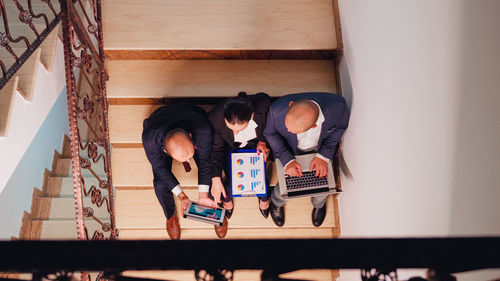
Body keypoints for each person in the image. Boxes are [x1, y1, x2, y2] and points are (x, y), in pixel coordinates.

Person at [142, 103, 228, 240]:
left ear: (191, 136)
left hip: (191, 113)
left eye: (190, 155)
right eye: (185, 159)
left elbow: (205, 161)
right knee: (159, 183)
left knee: (212, 173)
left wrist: (203, 194)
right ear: (165, 151)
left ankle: (214, 210)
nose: (189, 161)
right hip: (159, 120)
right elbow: (159, 168)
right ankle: (170, 215)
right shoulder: (150, 140)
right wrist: (181, 195)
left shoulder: (202, 129)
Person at [263, 92, 350, 227]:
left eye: (293, 130)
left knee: (322, 181)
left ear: (314, 125)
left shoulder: (339, 107)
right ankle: (277, 202)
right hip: (289, 149)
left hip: (320, 148)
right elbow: (269, 133)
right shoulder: (276, 110)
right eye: (287, 126)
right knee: (287, 182)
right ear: (291, 105)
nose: (287, 130)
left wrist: (323, 156)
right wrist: (287, 160)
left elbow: (340, 129)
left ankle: (318, 204)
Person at [208, 92, 272, 219]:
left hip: (256, 145)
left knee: (259, 177)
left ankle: (264, 196)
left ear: (251, 115)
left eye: (240, 128)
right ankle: (228, 198)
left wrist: (262, 141)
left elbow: (270, 124)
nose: (235, 132)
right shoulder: (215, 117)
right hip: (231, 148)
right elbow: (216, 149)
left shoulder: (263, 106)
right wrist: (215, 178)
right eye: (230, 127)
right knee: (233, 178)